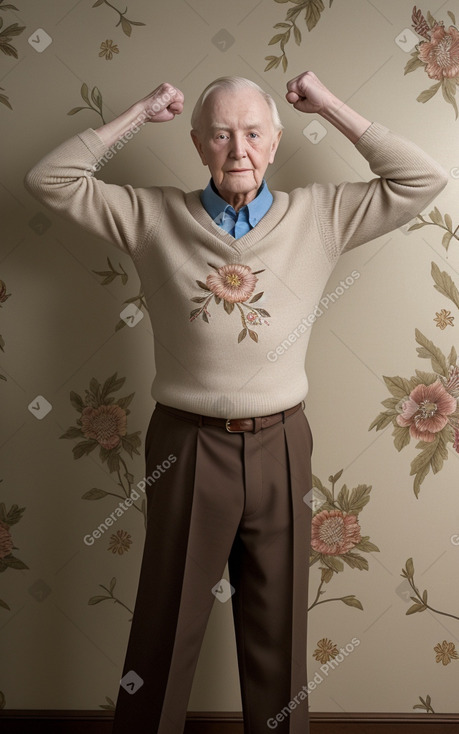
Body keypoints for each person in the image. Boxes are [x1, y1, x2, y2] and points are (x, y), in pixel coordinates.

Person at [24, 71, 448, 734]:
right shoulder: (151, 216)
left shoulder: (321, 215)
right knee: (165, 628)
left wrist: (330, 105)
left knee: (277, 633)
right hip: (186, 446)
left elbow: (421, 180)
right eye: (220, 134)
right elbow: (50, 181)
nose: (237, 148)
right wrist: (136, 113)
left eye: (253, 132)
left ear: (275, 142)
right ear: (198, 144)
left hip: (282, 443)